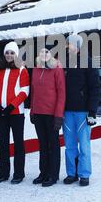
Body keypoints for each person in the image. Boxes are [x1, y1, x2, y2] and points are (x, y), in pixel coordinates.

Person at [63, 34, 100, 187]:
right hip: (67, 111)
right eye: (66, 44)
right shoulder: (64, 63)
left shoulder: (87, 62)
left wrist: (92, 111)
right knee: (69, 145)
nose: (67, 47)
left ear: (77, 46)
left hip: (83, 111)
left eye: (69, 44)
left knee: (84, 145)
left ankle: (84, 174)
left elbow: (94, 88)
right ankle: (72, 173)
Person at [0, 41, 29, 184]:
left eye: (12, 53)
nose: (9, 55)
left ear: (16, 55)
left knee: (18, 143)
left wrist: (12, 106)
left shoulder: (22, 70)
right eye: (7, 52)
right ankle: (3, 173)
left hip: (16, 112)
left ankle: (19, 173)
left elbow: (25, 91)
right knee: (3, 143)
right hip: (1, 112)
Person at [30, 45, 66, 187]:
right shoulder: (36, 69)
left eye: (47, 52)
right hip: (38, 113)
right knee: (42, 144)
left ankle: (53, 174)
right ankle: (43, 172)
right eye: (42, 51)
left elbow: (61, 93)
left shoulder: (57, 69)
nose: (44, 54)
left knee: (53, 145)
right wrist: (32, 111)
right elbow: (34, 92)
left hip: (51, 114)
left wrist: (58, 115)